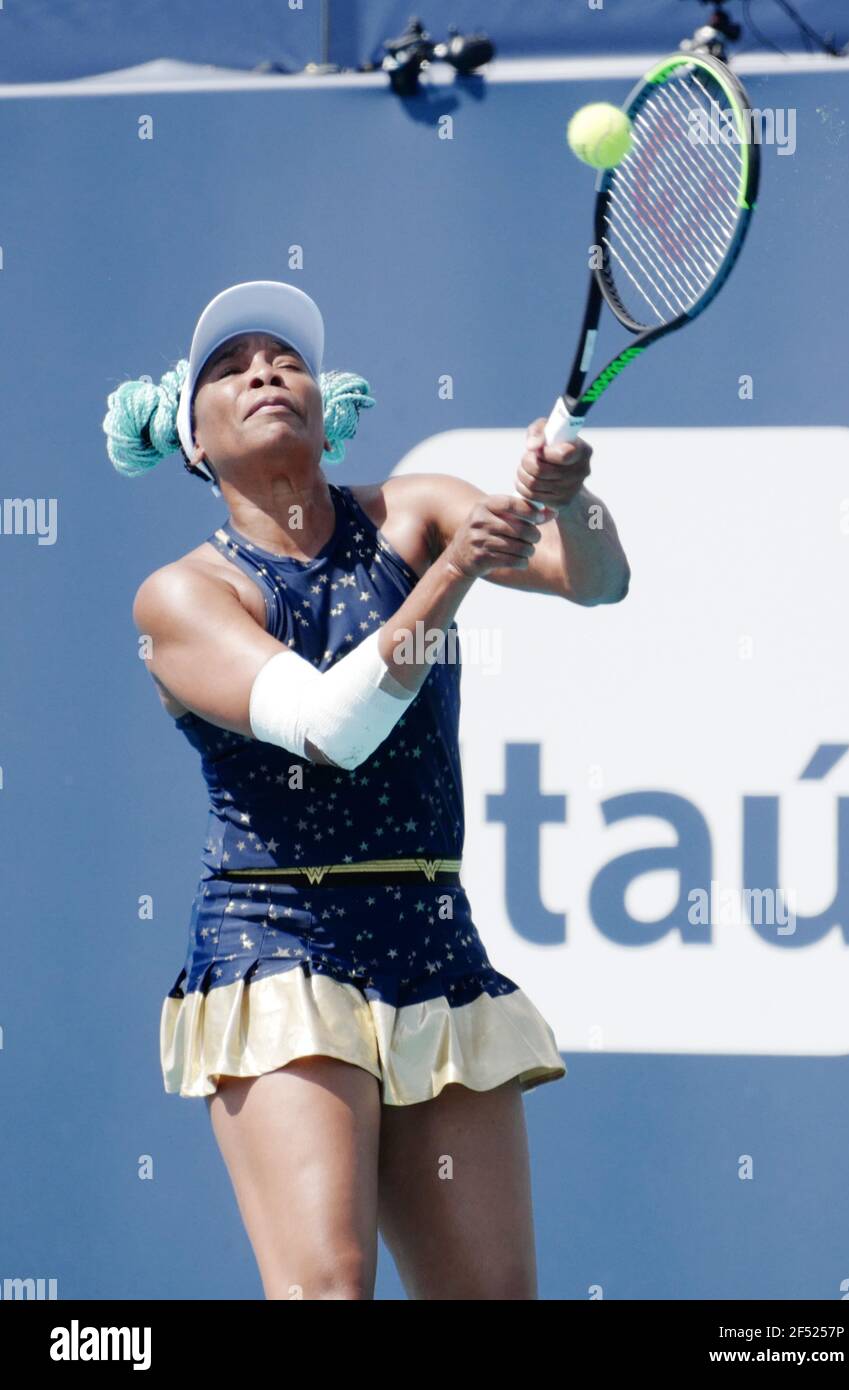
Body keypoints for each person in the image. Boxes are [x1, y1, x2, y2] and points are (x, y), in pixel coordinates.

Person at [104, 280, 630, 1300]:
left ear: (320, 402)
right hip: (279, 941)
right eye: (231, 365)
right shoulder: (180, 597)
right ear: (195, 444)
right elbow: (329, 728)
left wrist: (575, 498)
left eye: (286, 357)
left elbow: (597, 577)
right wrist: (451, 577)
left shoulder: (416, 505)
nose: (266, 370)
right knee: (329, 1290)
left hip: (433, 936)